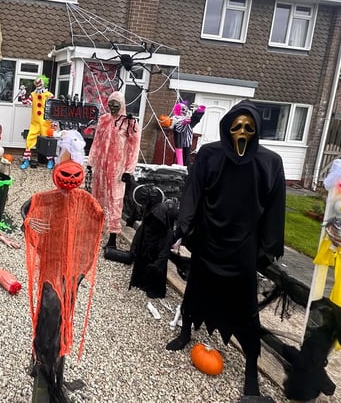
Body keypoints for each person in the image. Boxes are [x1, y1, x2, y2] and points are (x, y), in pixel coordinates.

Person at [166, 100, 285, 398]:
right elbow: (193, 190)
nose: (242, 131)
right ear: (227, 126)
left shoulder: (270, 163)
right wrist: (183, 226)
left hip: (243, 246)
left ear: (256, 129)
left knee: (244, 307)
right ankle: (185, 331)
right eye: (237, 125)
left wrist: (269, 247)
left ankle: (250, 369)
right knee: (196, 289)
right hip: (210, 238)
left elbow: (275, 205)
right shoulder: (209, 154)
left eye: (248, 126)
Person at [23, 155, 104, 402]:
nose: (69, 181)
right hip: (51, 265)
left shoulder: (85, 200)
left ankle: (54, 367)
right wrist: (27, 221)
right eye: (65, 176)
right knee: (49, 311)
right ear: (57, 175)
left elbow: (98, 217)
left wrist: (102, 217)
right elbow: (28, 209)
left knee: (62, 317)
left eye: (74, 176)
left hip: (71, 270)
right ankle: (43, 364)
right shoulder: (45, 199)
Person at [87, 91, 141, 258]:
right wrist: (91, 162)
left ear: (122, 104)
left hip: (117, 170)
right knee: (97, 199)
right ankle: (95, 233)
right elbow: (96, 142)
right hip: (101, 168)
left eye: (116, 104)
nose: (112, 107)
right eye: (110, 103)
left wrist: (128, 171)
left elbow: (134, 148)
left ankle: (112, 237)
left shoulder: (129, 123)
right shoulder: (103, 120)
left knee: (115, 201)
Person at [20, 75, 54, 170]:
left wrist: (53, 122)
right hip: (35, 123)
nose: (38, 84)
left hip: (45, 123)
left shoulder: (49, 95)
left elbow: (54, 108)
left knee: (48, 143)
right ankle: (26, 160)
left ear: (44, 83)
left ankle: (50, 161)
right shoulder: (33, 94)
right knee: (29, 140)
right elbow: (26, 103)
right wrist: (23, 94)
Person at [171, 101, 205, 166]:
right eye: (183, 109)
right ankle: (181, 167)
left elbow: (195, 119)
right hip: (179, 143)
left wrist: (200, 109)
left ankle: (185, 168)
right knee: (179, 158)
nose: (185, 111)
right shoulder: (175, 119)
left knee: (186, 159)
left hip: (187, 143)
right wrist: (184, 122)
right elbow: (178, 129)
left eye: (186, 110)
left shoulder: (188, 119)